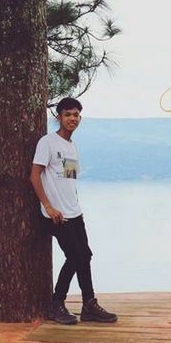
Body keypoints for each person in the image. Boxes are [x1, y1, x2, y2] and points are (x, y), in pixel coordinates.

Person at [30, 97, 117, 325]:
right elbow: (34, 175)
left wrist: (76, 207)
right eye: (68, 114)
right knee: (76, 256)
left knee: (85, 256)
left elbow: (68, 180)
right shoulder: (47, 142)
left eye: (76, 115)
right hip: (56, 215)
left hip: (74, 212)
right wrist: (48, 207)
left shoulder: (71, 146)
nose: (72, 119)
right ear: (58, 117)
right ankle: (56, 304)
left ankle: (89, 305)